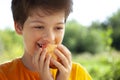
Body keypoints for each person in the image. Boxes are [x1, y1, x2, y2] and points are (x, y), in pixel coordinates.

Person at [0, 0, 92, 80]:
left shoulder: (78, 74)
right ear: (19, 27)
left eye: (58, 28)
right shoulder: (3, 75)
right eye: (39, 27)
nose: (50, 38)